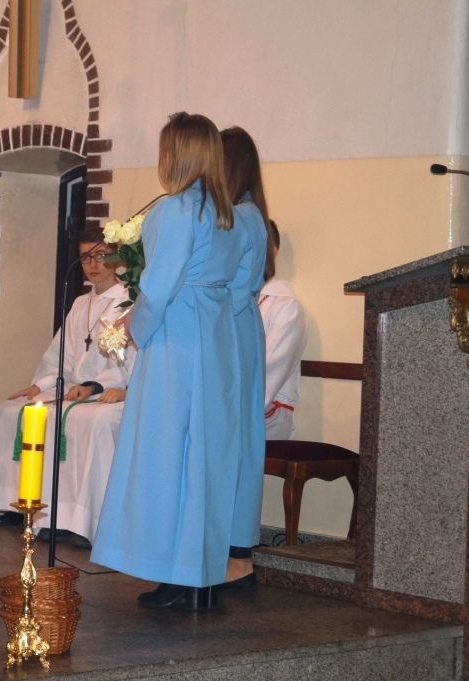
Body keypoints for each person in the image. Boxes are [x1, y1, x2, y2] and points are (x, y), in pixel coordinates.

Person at [92, 112, 243, 610]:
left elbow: (158, 288)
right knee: (205, 455)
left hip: (178, 340)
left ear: (175, 154)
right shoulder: (228, 214)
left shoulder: (176, 211)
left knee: (166, 451)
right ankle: (201, 572)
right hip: (214, 337)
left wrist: (132, 328)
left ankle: (176, 572)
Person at [0, 228, 135, 548]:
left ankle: (79, 519)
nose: (93, 264)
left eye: (100, 256)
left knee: (88, 422)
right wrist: (39, 385)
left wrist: (95, 386)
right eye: (86, 258)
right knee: (12, 412)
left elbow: (130, 361)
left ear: (116, 257)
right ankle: (17, 505)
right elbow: (61, 355)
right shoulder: (81, 303)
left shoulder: (128, 300)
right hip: (75, 390)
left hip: (112, 392)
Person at [220, 126, 270, 590]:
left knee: (232, 439)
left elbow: (230, 285)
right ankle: (236, 551)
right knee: (239, 438)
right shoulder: (252, 213)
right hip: (241, 327)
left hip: (230, 328)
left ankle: (236, 555)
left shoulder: (238, 216)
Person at [260, 220, 307, 440]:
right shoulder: (233, 300)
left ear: (272, 251)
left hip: (267, 415)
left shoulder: (286, 306)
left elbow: (268, 373)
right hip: (229, 407)